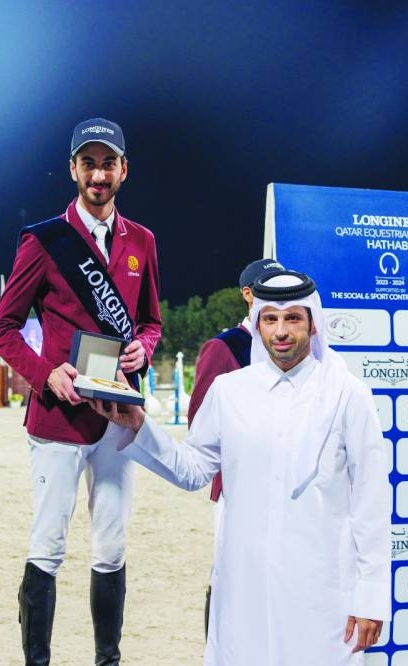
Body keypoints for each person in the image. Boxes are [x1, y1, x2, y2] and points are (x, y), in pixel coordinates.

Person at [91, 270, 390, 665]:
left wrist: (370, 596)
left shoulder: (347, 394)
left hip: (322, 589)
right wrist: (140, 426)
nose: (281, 331)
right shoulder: (230, 391)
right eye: (271, 319)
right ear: (258, 322)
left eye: (293, 319)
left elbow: (371, 501)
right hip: (243, 585)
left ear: (313, 324)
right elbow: (194, 468)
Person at [0, 118, 162, 665]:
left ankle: (106, 659)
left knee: (111, 550)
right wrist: (47, 375)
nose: (98, 174)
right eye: (88, 163)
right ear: (73, 170)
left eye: (107, 163)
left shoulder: (144, 243)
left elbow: (151, 321)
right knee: (49, 548)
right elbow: (2, 328)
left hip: (116, 418)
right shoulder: (44, 241)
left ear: (123, 170)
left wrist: (145, 348)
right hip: (59, 419)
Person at [187, 257, 284, 638]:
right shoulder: (225, 347)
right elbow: (200, 423)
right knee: (229, 575)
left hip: (286, 484)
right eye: (267, 287)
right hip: (239, 487)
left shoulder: (291, 346)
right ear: (248, 294)